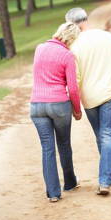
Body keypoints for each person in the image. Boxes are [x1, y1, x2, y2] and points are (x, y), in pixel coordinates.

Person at [65, 8, 111, 195]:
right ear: (86, 19)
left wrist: (75, 105)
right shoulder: (107, 37)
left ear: (71, 24)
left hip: (89, 98)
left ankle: (107, 179)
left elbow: (75, 79)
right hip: (109, 94)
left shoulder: (73, 46)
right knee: (107, 136)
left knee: (101, 136)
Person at [30, 22, 82, 202]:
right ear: (72, 38)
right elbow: (73, 89)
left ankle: (53, 193)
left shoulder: (40, 48)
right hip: (59, 104)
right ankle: (69, 183)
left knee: (47, 148)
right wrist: (77, 110)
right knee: (64, 144)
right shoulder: (68, 55)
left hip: (37, 105)